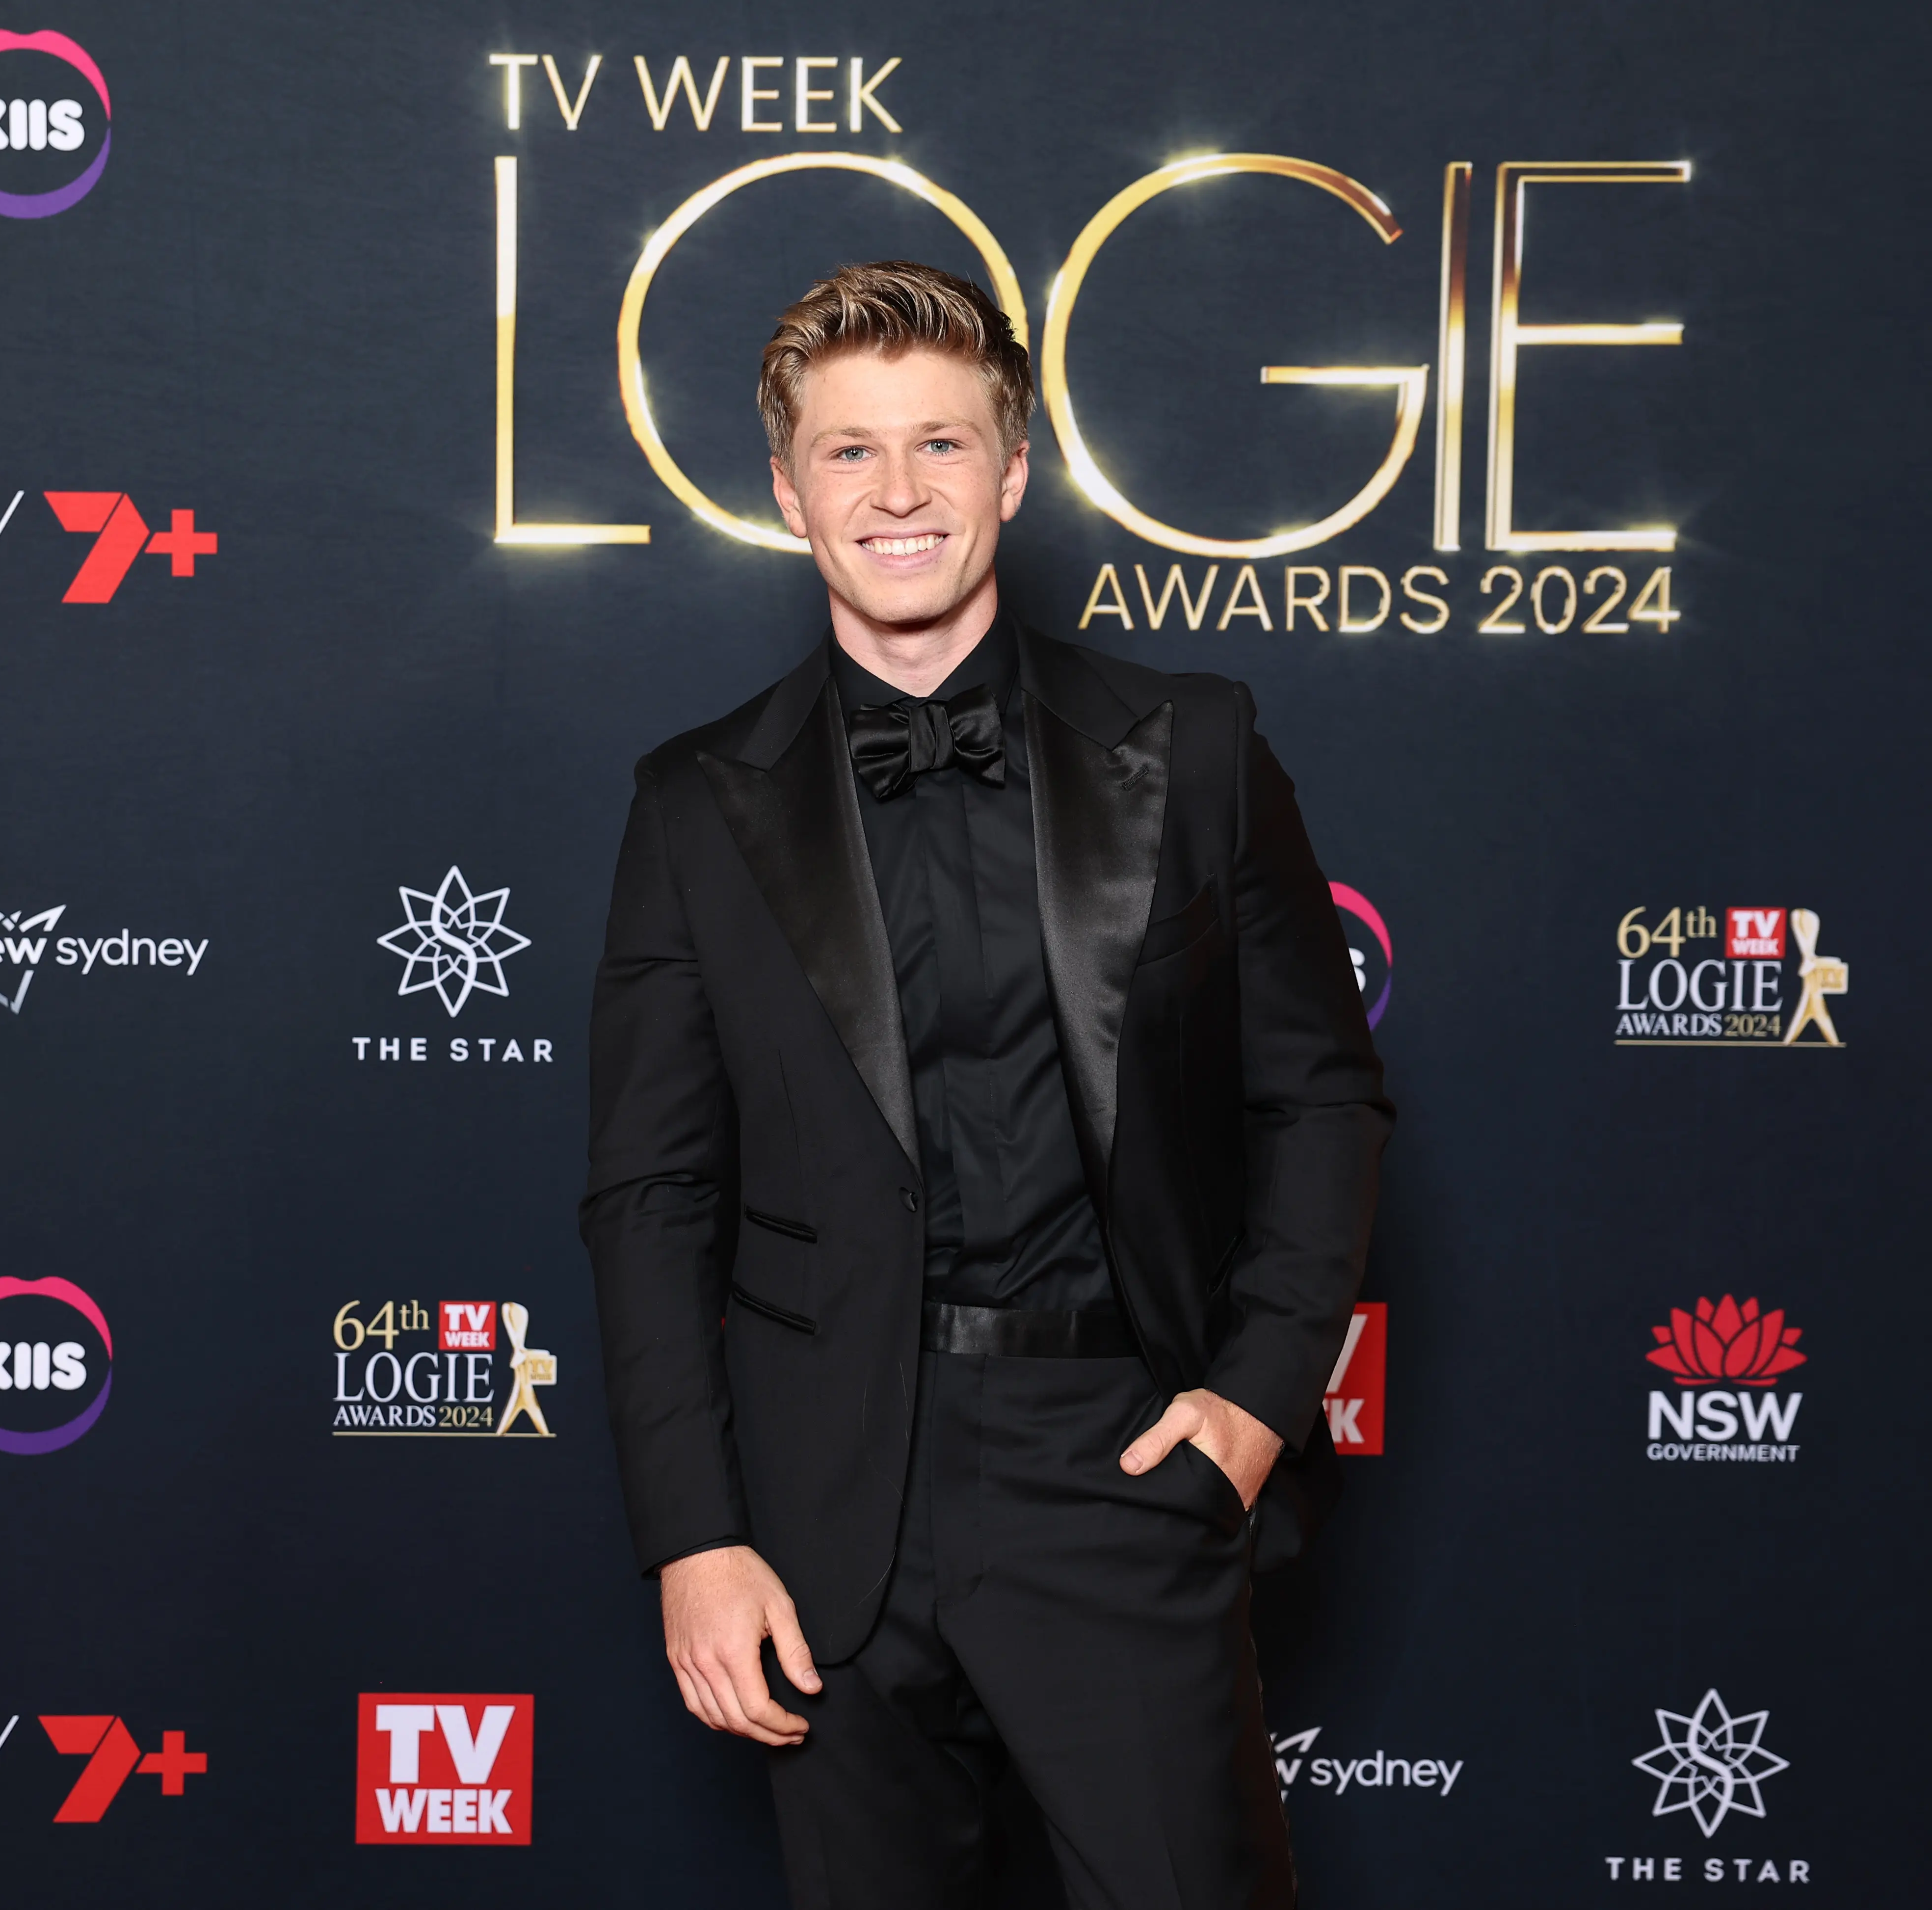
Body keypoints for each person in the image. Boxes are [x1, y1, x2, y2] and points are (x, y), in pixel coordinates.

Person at [582, 259, 1390, 1908]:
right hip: (827, 1502)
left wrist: (1247, 1406)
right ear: (787, 488)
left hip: (1115, 1453)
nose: (896, 492)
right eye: (849, 451)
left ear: (1011, 473)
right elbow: (648, 1197)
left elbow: (1321, 1099)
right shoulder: (690, 804)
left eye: (939, 446)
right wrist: (692, 1534)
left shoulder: (1197, 743)